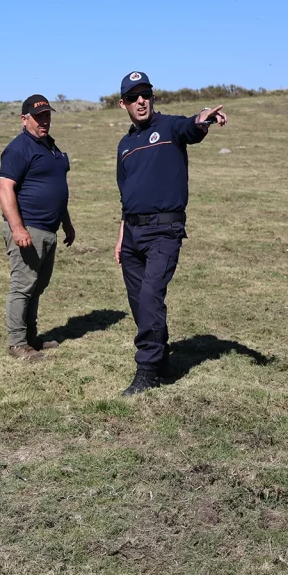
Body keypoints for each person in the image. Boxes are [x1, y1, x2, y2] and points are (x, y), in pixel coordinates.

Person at [113, 71, 227, 395]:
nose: (140, 101)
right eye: (133, 97)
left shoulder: (169, 127)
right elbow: (125, 195)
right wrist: (121, 236)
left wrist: (203, 119)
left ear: (153, 98)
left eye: (145, 95)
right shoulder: (125, 145)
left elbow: (191, 127)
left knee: (151, 296)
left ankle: (147, 371)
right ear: (123, 104)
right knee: (140, 304)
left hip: (164, 231)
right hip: (132, 233)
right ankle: (161, 357)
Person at [0, 94, 75, 362]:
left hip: (48, 229)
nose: (44, 121)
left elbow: (56, 189)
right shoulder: (19, 148)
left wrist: (66, 222)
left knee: (37, 286)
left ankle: (31, 338)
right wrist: (18, 229)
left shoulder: (50, 147)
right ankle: (17, 343)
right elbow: (4, 188)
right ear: (24, 119)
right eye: (38, 117)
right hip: (28, 228)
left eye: (47, 116)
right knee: (23, 286)